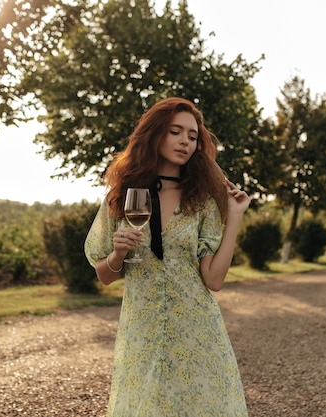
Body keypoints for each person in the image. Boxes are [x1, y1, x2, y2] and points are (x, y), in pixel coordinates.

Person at [85, 97, 250, 416]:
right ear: (155, 134)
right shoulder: (122, 197)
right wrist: (118, 252)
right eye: (176, 131)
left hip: (195, 328)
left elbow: (214, 280)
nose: (185, 141)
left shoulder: (201, 201)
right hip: (142, 329)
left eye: (192, 136)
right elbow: (104, 274)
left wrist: (235, 214)